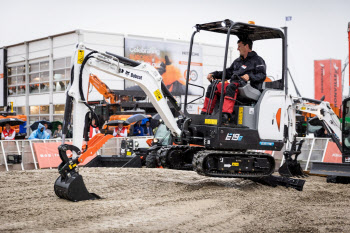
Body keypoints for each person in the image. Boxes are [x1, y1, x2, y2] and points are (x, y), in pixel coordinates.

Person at [201, 38, 266, 122]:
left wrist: (249, 76)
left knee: (231, 86)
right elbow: (228, 72)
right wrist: (214, 74)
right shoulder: (238, 61)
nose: (237, 49)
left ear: (246, 46)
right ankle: (205, 113)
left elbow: (262, 75)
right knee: (214, 86)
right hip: (236, 85)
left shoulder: (258, 60)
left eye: (239, 46)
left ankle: (225, 115)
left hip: (250, 87)